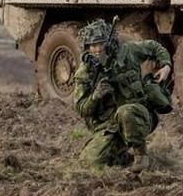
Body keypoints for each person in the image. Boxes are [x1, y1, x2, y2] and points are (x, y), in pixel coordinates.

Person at [73, 19, 172, 173]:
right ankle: (122, 156)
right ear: (87, 48)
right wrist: (95, 97)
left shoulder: (128, 52)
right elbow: (81, 109)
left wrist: (166, 66)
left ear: (109, 42)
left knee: (125, 111)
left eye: (101, 44)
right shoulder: (85, 73)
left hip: (139, 116)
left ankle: (141, 155)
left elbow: (154, 47)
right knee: (89, 160)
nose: (97, 49)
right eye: (92, 45)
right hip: (111, 127)